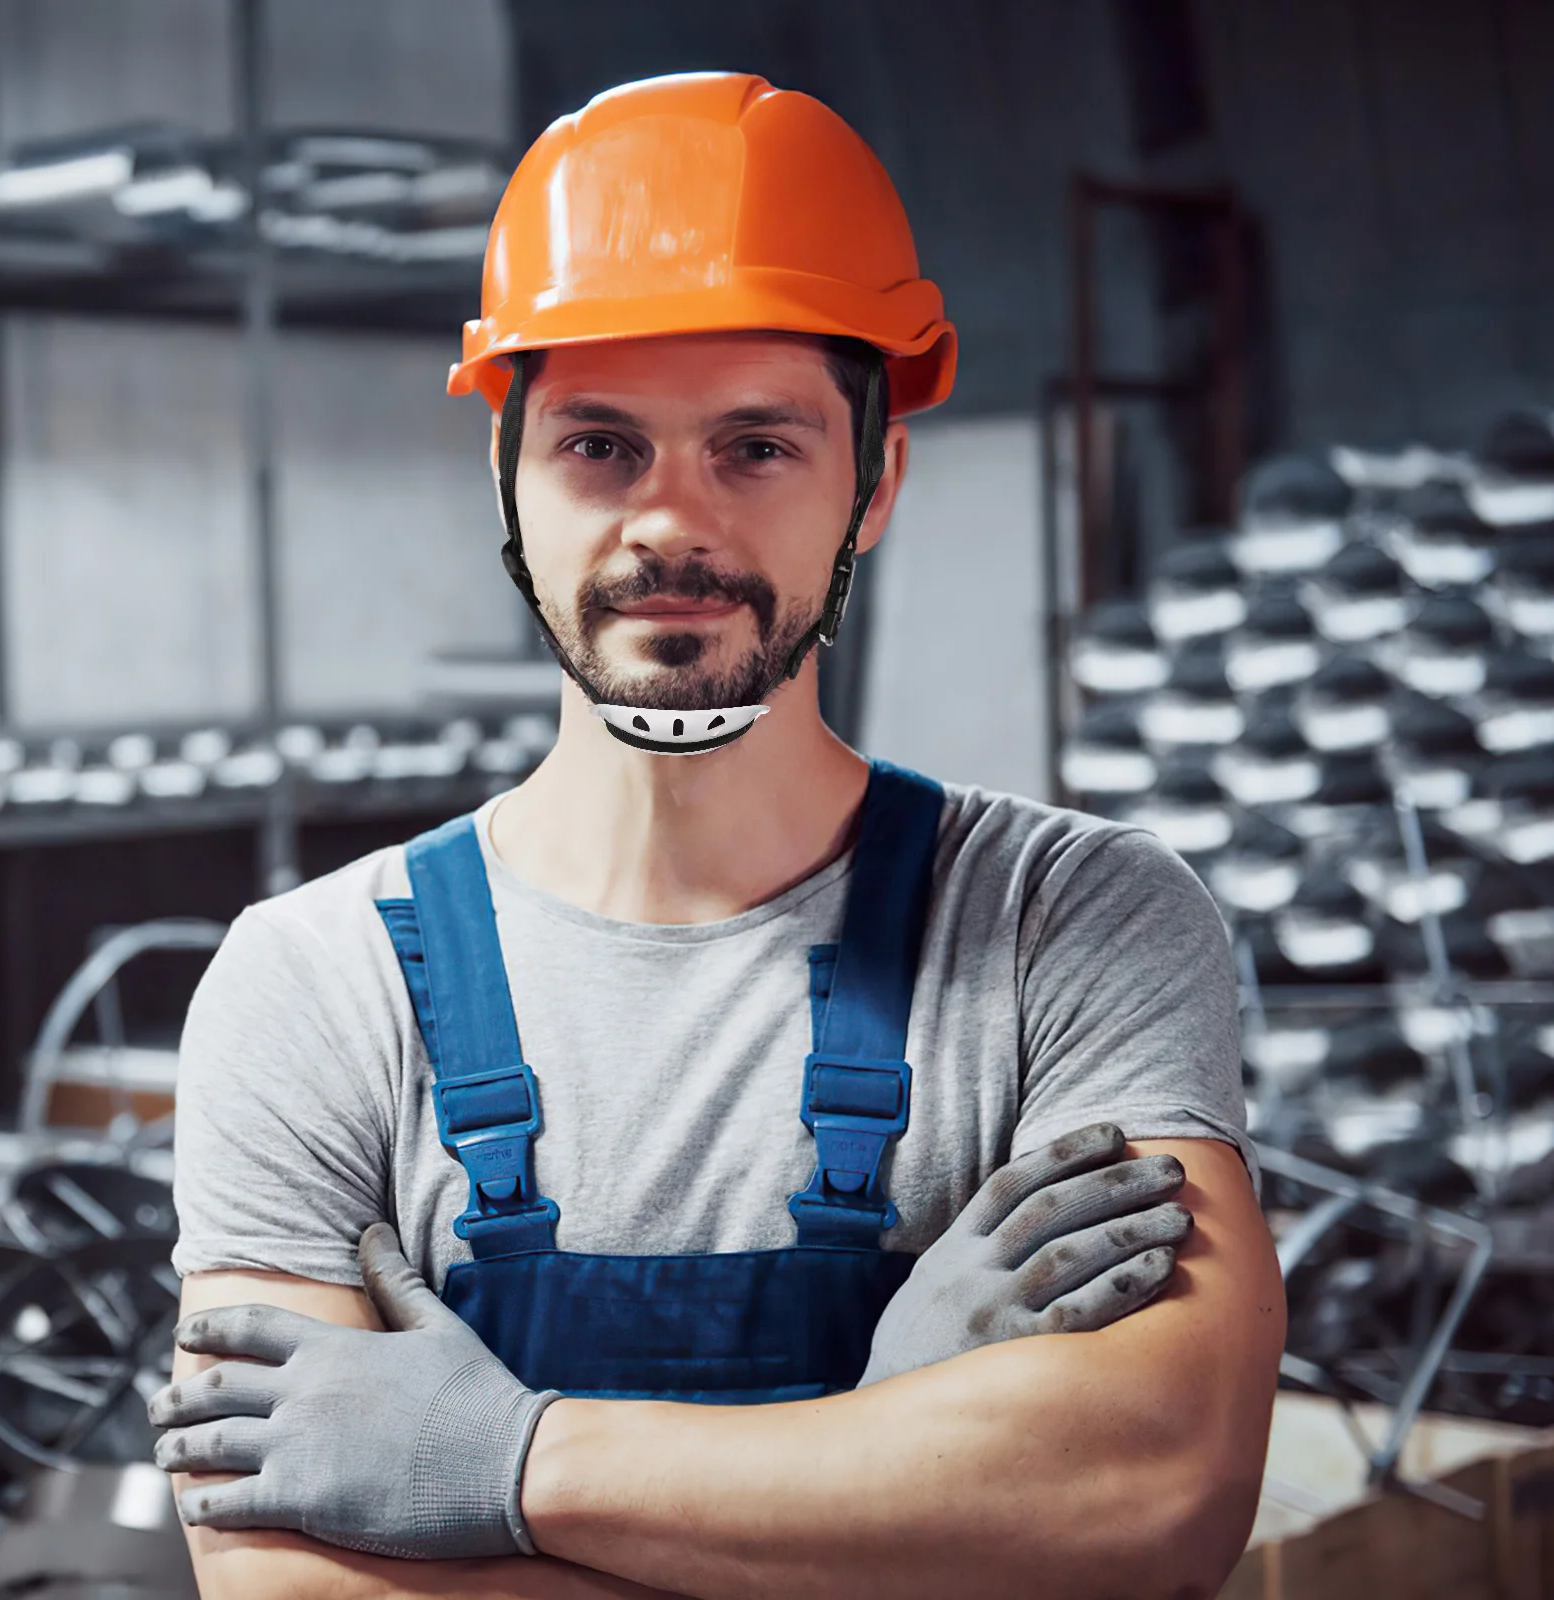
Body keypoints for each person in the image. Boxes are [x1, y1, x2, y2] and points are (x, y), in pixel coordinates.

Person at [151, 72, 1283, 1600]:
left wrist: (507, 1464)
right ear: (507, 475)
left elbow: (1150, 1501)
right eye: (601, 447)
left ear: (874, 483)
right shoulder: (315, 986)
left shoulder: (1073, 922)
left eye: (757, 448)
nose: (670, 523)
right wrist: (899, 1467)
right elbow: (292, 1588)